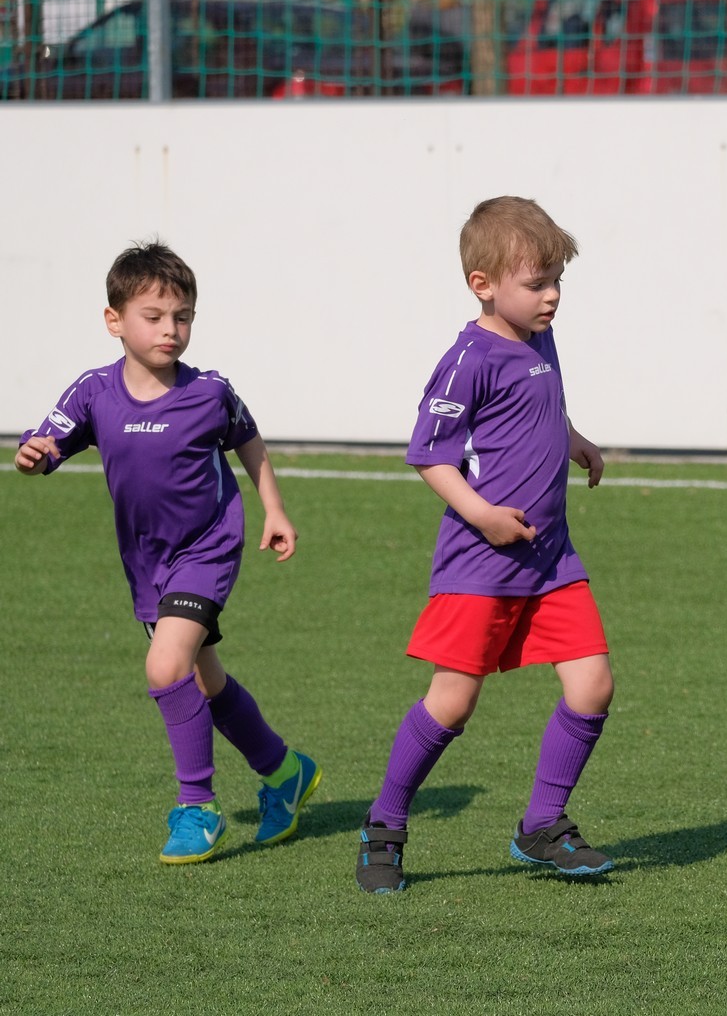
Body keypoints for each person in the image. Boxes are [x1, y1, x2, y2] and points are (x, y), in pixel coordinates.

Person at [13, 241, 320, 865]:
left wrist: (275, 509)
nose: (170, 330)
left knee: (163, 666)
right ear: (114, 320)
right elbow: (47, 443)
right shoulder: (94, 391)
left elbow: (248, 439)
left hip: (208, 548)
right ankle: (285, 772)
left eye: (182, 317)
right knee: (203, 681)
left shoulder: (209, 391)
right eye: (153, 317)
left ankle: (197, 808)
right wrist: (33, 456)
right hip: (147, 562)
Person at [356, 196, 615, 895]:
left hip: (552, 558)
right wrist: (483, 515)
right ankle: (384, 825)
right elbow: (430, 453)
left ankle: (542, 824)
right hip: (482, 563)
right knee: (451, 703)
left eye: (557, 280)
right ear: (484, 284)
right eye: (537, 283)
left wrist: (575, 440)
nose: (551, 296)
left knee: (593, 684)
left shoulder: (539, 337)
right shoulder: (466, 359)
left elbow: (537, 411)